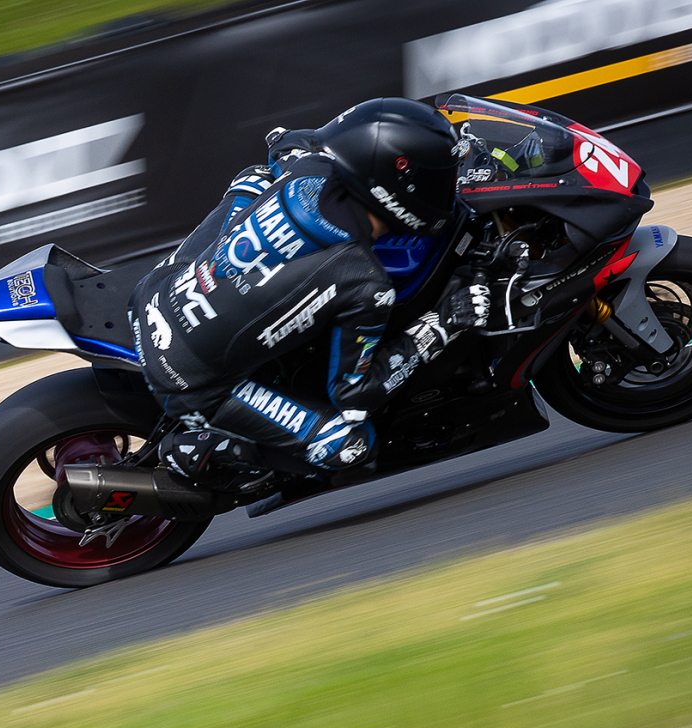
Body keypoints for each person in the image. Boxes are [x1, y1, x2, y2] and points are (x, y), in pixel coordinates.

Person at [128, 97, 493, 483]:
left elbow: (289, 144)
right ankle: (197, 450)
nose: (445, 185)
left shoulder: (308, 165)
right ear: (396, 185)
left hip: (152, 295)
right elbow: (354, 396)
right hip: (193, 383)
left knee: (254, 179)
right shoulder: (365, 281)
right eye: (439, 178)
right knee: (352, 446)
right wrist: (441, 325)